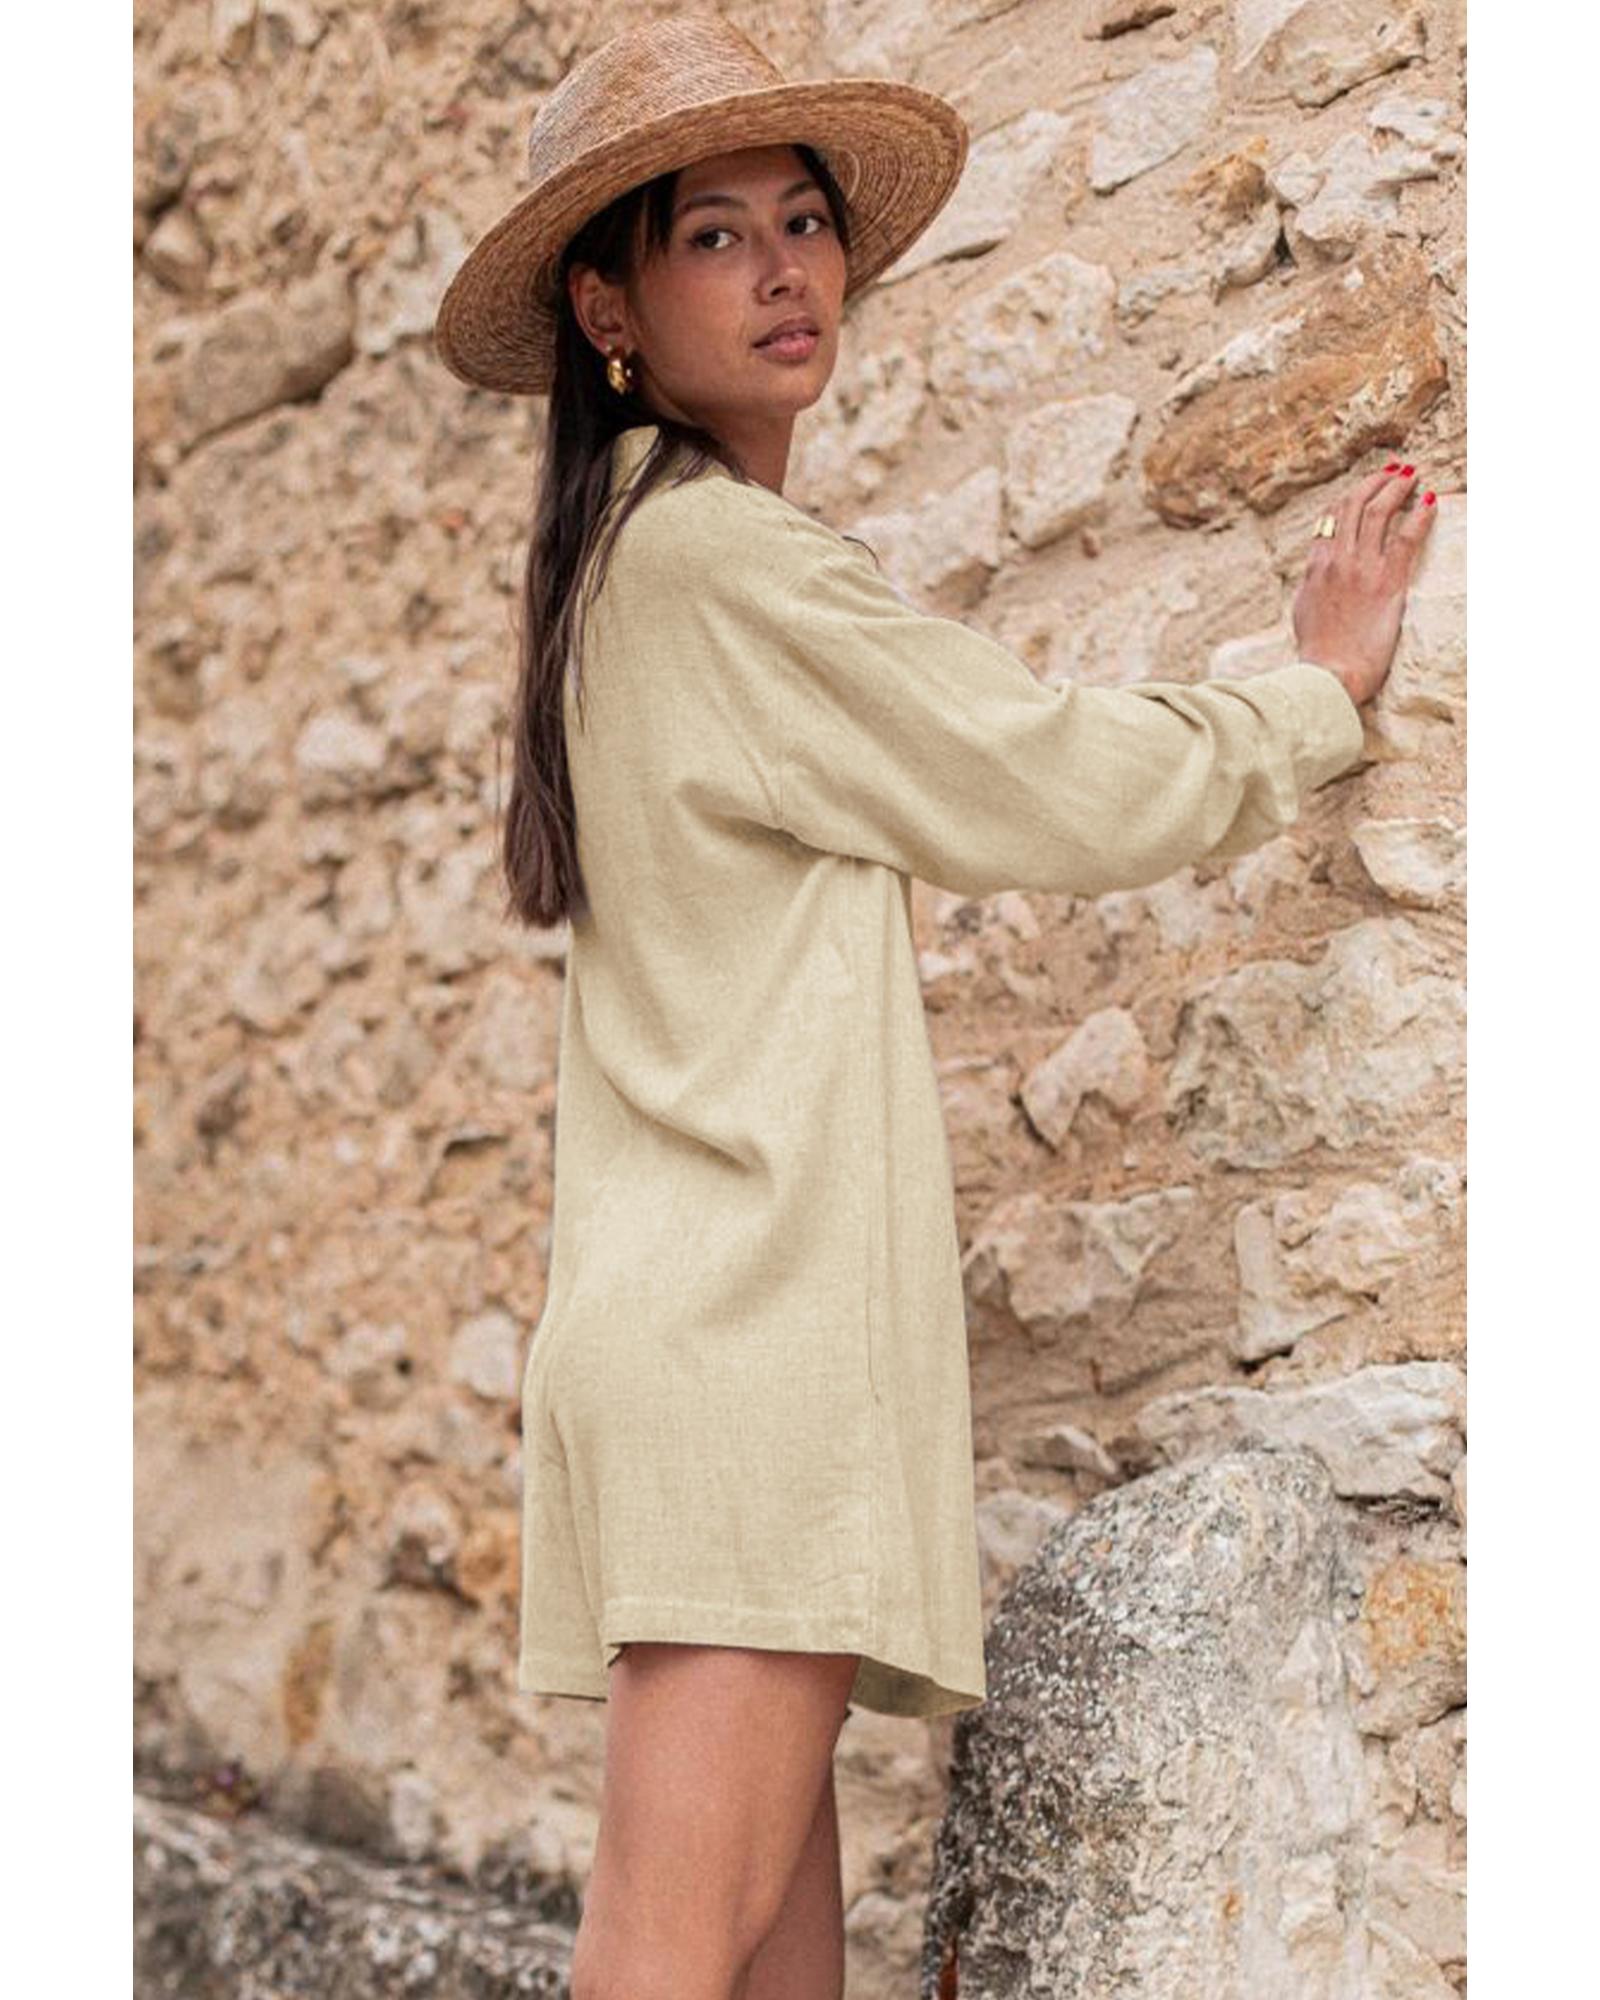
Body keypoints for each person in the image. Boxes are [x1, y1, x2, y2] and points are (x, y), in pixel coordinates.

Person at [432, 16, 1439, 2000]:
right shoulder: (712, 559)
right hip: (744, 1357)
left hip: (715, 1340)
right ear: (607, 309)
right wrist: (1310, 696)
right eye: (712, 234)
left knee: (762, 1976)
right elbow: (1035, 771)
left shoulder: (623, 562)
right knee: (665, 1960)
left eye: (803, 222)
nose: (783, 267)